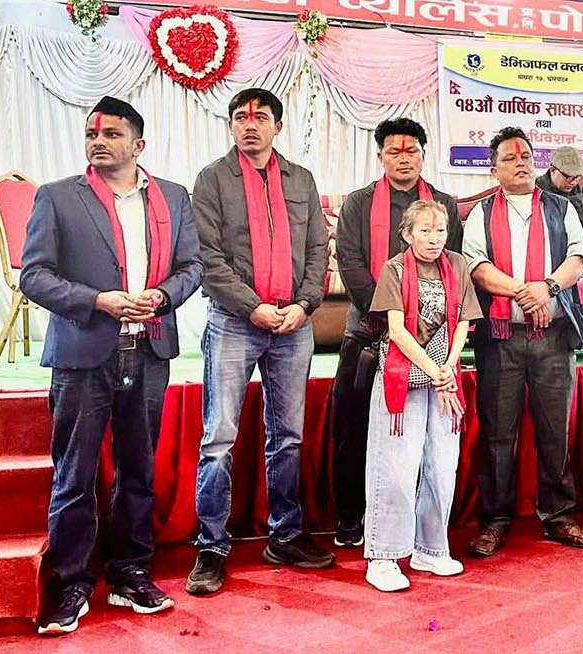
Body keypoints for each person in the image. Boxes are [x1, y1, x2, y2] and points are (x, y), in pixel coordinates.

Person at [21, 97, 203, 635]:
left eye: (111, 133)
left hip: (148, 348)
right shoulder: (58, 197)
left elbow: (191, 266)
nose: (98, 141)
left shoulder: (173, 196)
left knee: (138, 470)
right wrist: (98, 300)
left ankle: (129, 572)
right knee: (75, 474)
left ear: (138, 144)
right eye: (92, 134)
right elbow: (34, 276)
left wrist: (162, 298)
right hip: (83, 353)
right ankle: (70, 583)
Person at [187, 88, 334, 596]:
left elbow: (318, 250)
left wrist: (305, 305)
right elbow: (207, 257)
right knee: (218, 437)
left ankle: (286, 535)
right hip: (234, 321)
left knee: (288, 435)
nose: (250, 125)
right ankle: (211, 545)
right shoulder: (211, 179)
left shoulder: (301, 179)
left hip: (294, 323)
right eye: (240, 118)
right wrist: (253, 307)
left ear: (278, 126)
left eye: (261, 118)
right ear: (231, 125)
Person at [461, 127, 583, 556]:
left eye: (525, 155)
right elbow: (476, 267)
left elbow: (578, 257)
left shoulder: (561, 207)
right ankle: (495, 521)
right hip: (500, 338)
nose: (520, 163)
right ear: (495, 170)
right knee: (497, 434)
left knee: (555, 431)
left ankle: (559, 516)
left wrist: (548, 288)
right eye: (509, 158)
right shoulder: (481, 213)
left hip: (553, 337)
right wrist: (527, 292)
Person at [331, 118, 462, 548]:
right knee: (353, 427)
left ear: (423, 155)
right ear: (380, 156)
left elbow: (453, 266)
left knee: (421, 436)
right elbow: (350, 263)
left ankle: (420, 529)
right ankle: (352, 517)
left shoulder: (443, 205)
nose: (403, 158)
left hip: (428, 339)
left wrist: (419, 323)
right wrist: (389, 316)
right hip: (368, 334)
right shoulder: (359, 203)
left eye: (411, 151)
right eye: (394, 151)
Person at [362, 200, 481, 591]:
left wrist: (447, 368)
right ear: (407, 234)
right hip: (404, 378)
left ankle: (430, 548)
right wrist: (436, 371)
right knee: (395, 469)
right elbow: (397, 330)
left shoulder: (458, 265)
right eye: (425, 231)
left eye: (440, 230)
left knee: (442, 467)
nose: (434, 238)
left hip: (445, 378)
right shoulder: (394, 269)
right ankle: (382, 557)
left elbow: (463, 322)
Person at [536, 145, 583, 250]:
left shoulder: (581, 191)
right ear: (553, 170)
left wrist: (581, 250)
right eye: (569, 177)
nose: (573, 182)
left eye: (577, 177)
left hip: (576, 250)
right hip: (544, 250)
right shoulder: (536, 190)